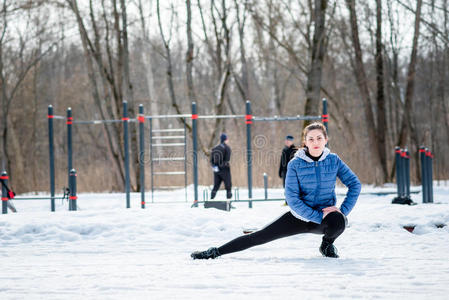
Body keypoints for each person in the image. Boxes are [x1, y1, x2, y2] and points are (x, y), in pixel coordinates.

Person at [191, 122, 361, 259]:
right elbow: (292, 198)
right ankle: (215, 252)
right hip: (299, 216)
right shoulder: (295, 164)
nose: (315, 142)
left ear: (326, 139)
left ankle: (326, 245)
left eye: (319, 138)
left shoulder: (334, 160)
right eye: (311, 139)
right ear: (305, 142)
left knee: (339, 221)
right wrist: (316, 216)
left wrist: (341, 211)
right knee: (259, 236)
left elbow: (355, 184)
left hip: (326, 218)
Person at [210, 133, 232, 200]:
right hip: (225, 169)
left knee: (216, 186)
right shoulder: (227, 148)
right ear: (225, 139)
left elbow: (211, 160)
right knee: (228, 185)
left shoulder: (215, 148)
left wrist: (214, 166)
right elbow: (228, 159)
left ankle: (211, 200)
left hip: (216, 169)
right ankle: (228, 202)